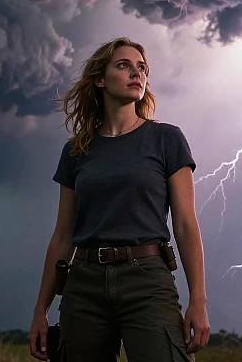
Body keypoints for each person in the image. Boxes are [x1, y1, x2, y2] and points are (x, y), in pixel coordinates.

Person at [29, 36, 210, 361]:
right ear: (100, 79)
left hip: (147, 280)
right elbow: (62, 235)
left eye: (142, 68)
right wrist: (41, 309)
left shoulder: (165, 139)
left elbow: (185, 224)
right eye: (124, 65)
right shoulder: (75, 151)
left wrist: (198, 300)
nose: (136, 73)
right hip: (83, 285)